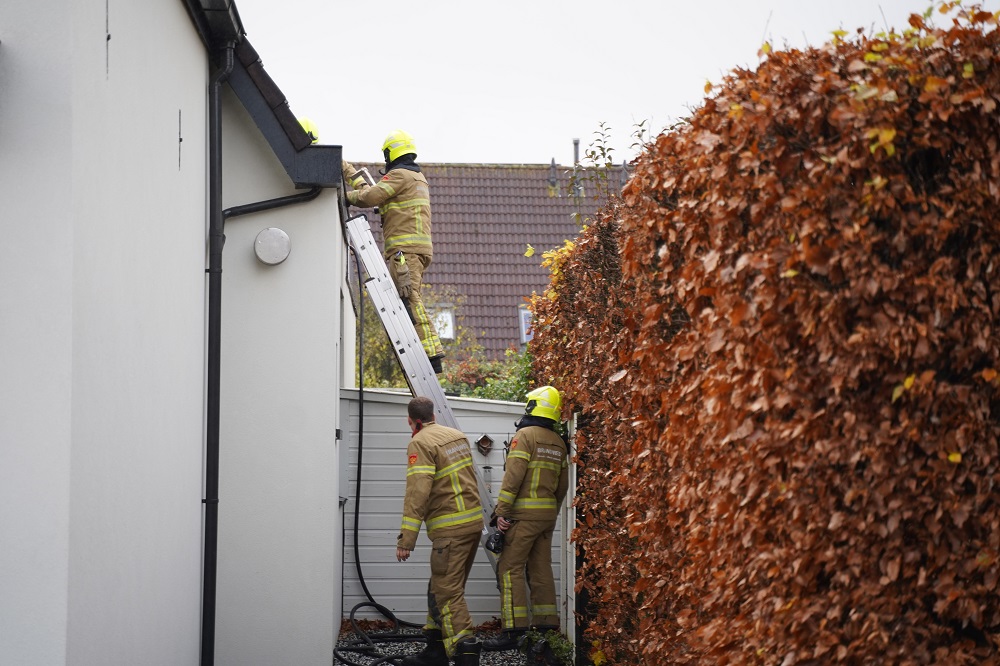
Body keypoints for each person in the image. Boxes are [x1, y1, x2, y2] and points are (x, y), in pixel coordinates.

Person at [344, 130, 446, 374]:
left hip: (405, 251)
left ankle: (432, 354)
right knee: (407, 298)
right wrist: (345, 168)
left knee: (409, 297)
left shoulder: (400, 175)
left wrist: (341, 198)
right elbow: (372, 190)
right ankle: (426, 350)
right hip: (413, 250)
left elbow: (370, 196)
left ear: (391, 153)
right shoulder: (415, 177)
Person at [396, 396, 484, 666]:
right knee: (439, 587)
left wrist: (406, 540)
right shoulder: (456, 436)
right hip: (472, 524)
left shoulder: (420, 442)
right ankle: (434, 652)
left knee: (447, 591)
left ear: (415, 421)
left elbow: (417, 493)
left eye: (410, 423)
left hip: (450, 530)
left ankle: (466, 655)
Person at [484, 386, 569, 651]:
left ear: (533, 406)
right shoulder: (558, 442)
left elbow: (513, 478)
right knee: (541, 569)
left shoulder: (525, 435)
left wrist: (502, 513)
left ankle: (513, 631)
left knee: (509, 569)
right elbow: (563, 486)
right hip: (546, 518)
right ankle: (545, 629)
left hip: (521, 516)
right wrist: (550, 513)